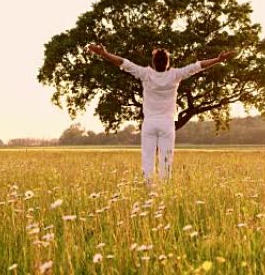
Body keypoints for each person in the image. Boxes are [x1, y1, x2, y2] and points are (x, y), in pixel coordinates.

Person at [86, 44, 236, 182]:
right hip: (167, 124)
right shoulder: (175, 75)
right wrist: (218, 59)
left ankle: (148, 188)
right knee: (166, 160)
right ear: (167, 63)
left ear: (153, 62)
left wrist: (103, 54)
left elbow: (123, 63)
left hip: (149, 123)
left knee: (147, 160)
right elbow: (198, 66)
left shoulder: (145, 74)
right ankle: (164, 190)